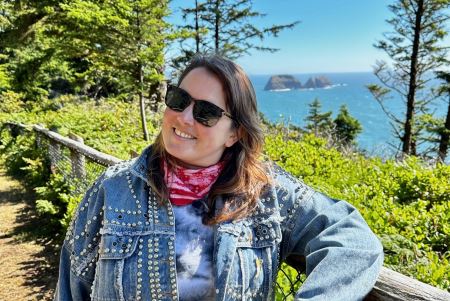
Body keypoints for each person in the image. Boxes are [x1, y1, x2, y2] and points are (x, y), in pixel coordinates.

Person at [54, 55, 383, 301]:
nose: (183, 118)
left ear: (234, 133)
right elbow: (72, 287)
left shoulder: (268, 195)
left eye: (206, 113)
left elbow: (353, 240)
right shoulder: (113, 190)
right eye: (179, 100)